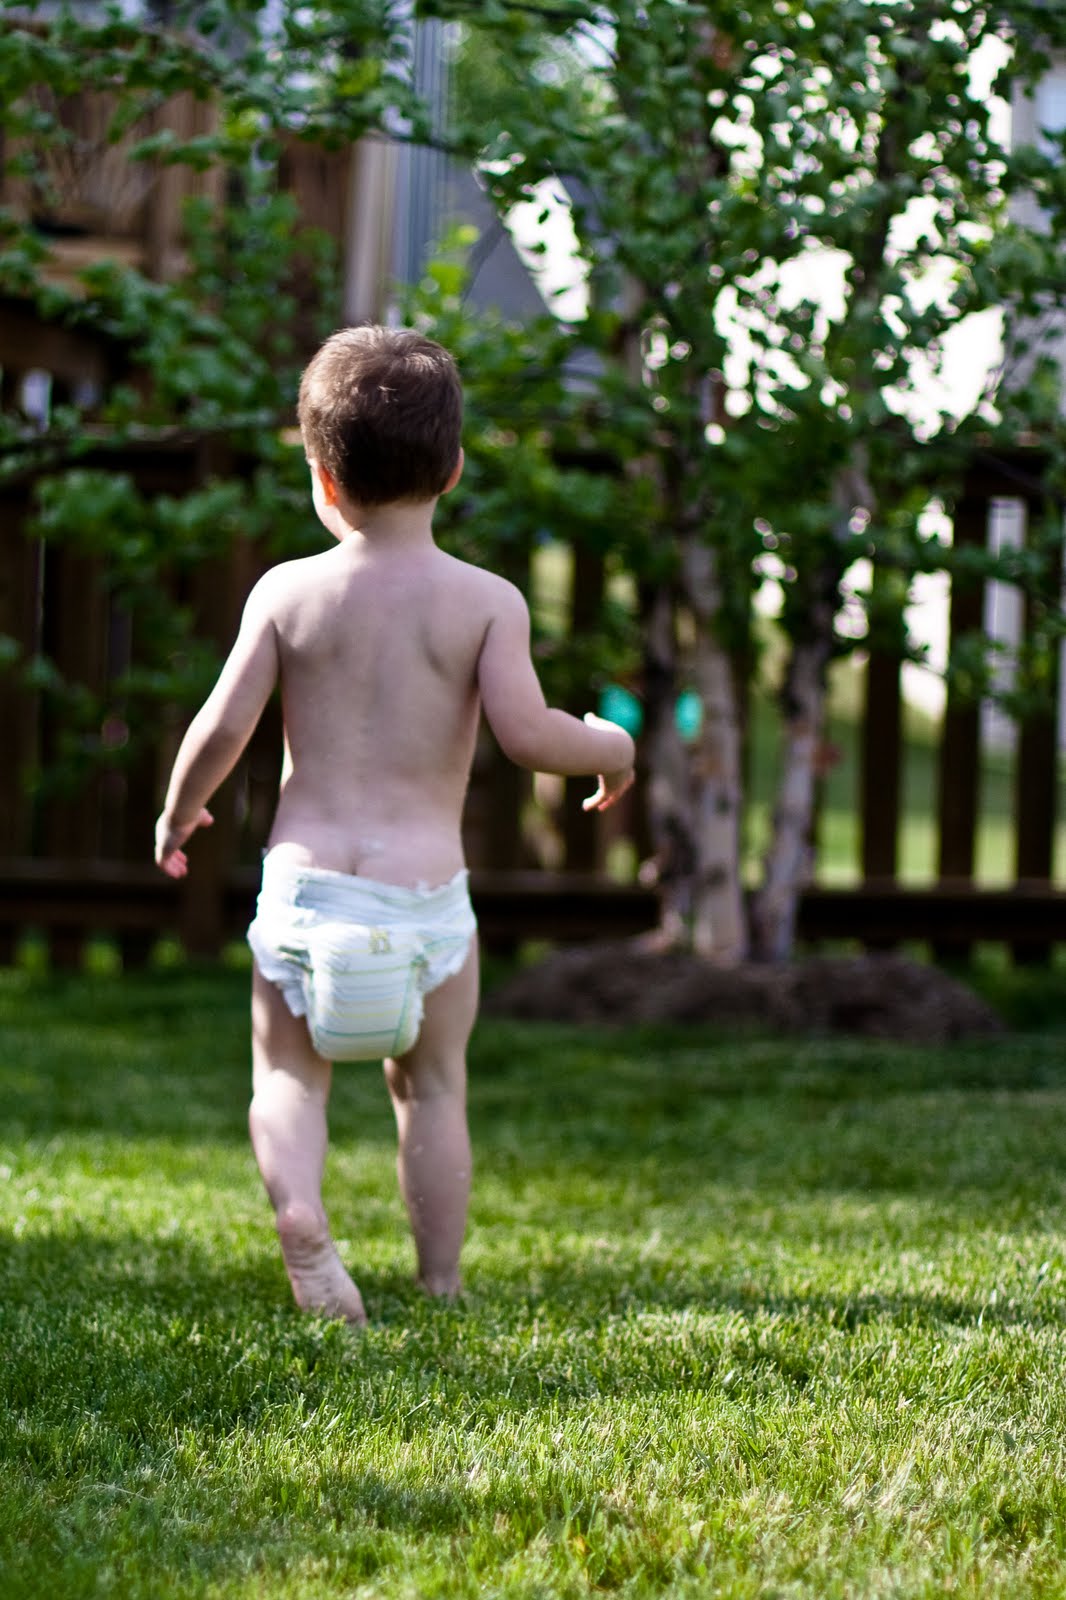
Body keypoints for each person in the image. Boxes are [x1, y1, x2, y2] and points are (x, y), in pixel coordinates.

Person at [154, 325, 635, 1325]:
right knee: (433, 1088)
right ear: (453, 470)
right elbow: (531, 736)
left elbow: (224, 723)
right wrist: (611, 748)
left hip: (307, 890)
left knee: (287, 1075)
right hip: (425, 906)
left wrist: (181, 804)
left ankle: (301, 1215)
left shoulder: (288, 592)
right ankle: (441, 1281)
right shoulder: (485, 601)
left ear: (322, 478)